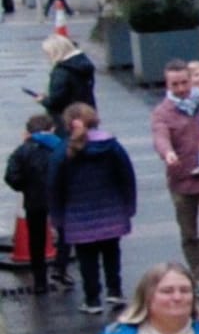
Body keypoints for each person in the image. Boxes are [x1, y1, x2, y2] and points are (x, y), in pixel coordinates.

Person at [50, 103, 135, 313]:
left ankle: (92, 299)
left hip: (78, 214)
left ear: (69, 124)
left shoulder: (62, 150)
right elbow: (126, 176)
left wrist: (57, 217)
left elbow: (54, 185)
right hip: (111, 210)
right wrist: (128, 205)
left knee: (86, 258)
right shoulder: (111, 145)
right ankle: (114, 291)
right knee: (111, 252)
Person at [151, 60, 199, 277]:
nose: (181, 89)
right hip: (181, 180)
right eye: (174, 85)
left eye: (184, 83)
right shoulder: (162, 112)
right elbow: (160, 136)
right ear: (167, 85)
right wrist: (167, 153)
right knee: (189, 235)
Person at [7, 112, 69, 292]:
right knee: (65, 234)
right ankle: (60, 267)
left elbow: (11, 176)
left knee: (36, 239)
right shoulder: (62, 147)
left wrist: (25, 187)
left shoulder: (22, 151)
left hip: (34, 200)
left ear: (28, 131)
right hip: (60, 198)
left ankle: (39, 280)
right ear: (52, 129)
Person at [39, 31, 95, 118]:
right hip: (86, 111)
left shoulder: (61, 71)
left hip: (65, 117)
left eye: (48, 53)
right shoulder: (83, 65)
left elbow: (56, 101)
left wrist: (43, 100)